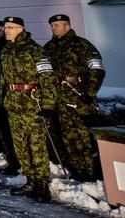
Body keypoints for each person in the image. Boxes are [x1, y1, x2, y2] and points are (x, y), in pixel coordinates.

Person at [43, 13, 104, 181]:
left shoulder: (82, 45)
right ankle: (77, 170)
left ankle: (91, 171)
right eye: (52, 25)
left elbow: (97, 69)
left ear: (67, 26)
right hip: (59, 100)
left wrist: (90, 93)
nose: (53, 28)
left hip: (79, 98)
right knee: (67, 136)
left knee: (83, 136)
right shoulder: (49, 47)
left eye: (57, 25)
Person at [1, 16, 55, 202]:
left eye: (10, 27)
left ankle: (42, 183)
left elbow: (47, 79)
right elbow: (3, 79)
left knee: (36, 144)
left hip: (32, 104)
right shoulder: (6, 51)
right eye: (6, 27)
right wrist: (3, 99)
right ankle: (30, 179)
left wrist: (48, 106)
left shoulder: (36, 51)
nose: (6, 30)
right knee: (21, 144)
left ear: (20, 29)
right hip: (13, 104)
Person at [0, 19, 20, 175]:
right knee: (3, 129)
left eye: (0, 30)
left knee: (14, 131)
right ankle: (10, 158)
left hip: (15, 97)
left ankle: (16, 160)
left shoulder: (10, 49)